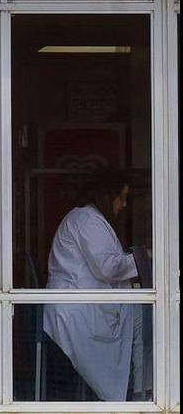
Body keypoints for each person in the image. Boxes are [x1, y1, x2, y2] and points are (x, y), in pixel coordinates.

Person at [43, 169, 147, 401]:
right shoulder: (87, 218)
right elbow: (108, 268)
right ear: (107, 196)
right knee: (142, 320)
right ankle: (141, 391)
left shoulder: (90, 218)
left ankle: (140, 388)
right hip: (75, 308)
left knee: (140, 316)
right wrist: (143, 258)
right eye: (122, 197)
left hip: (81, 303)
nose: (124, 205)